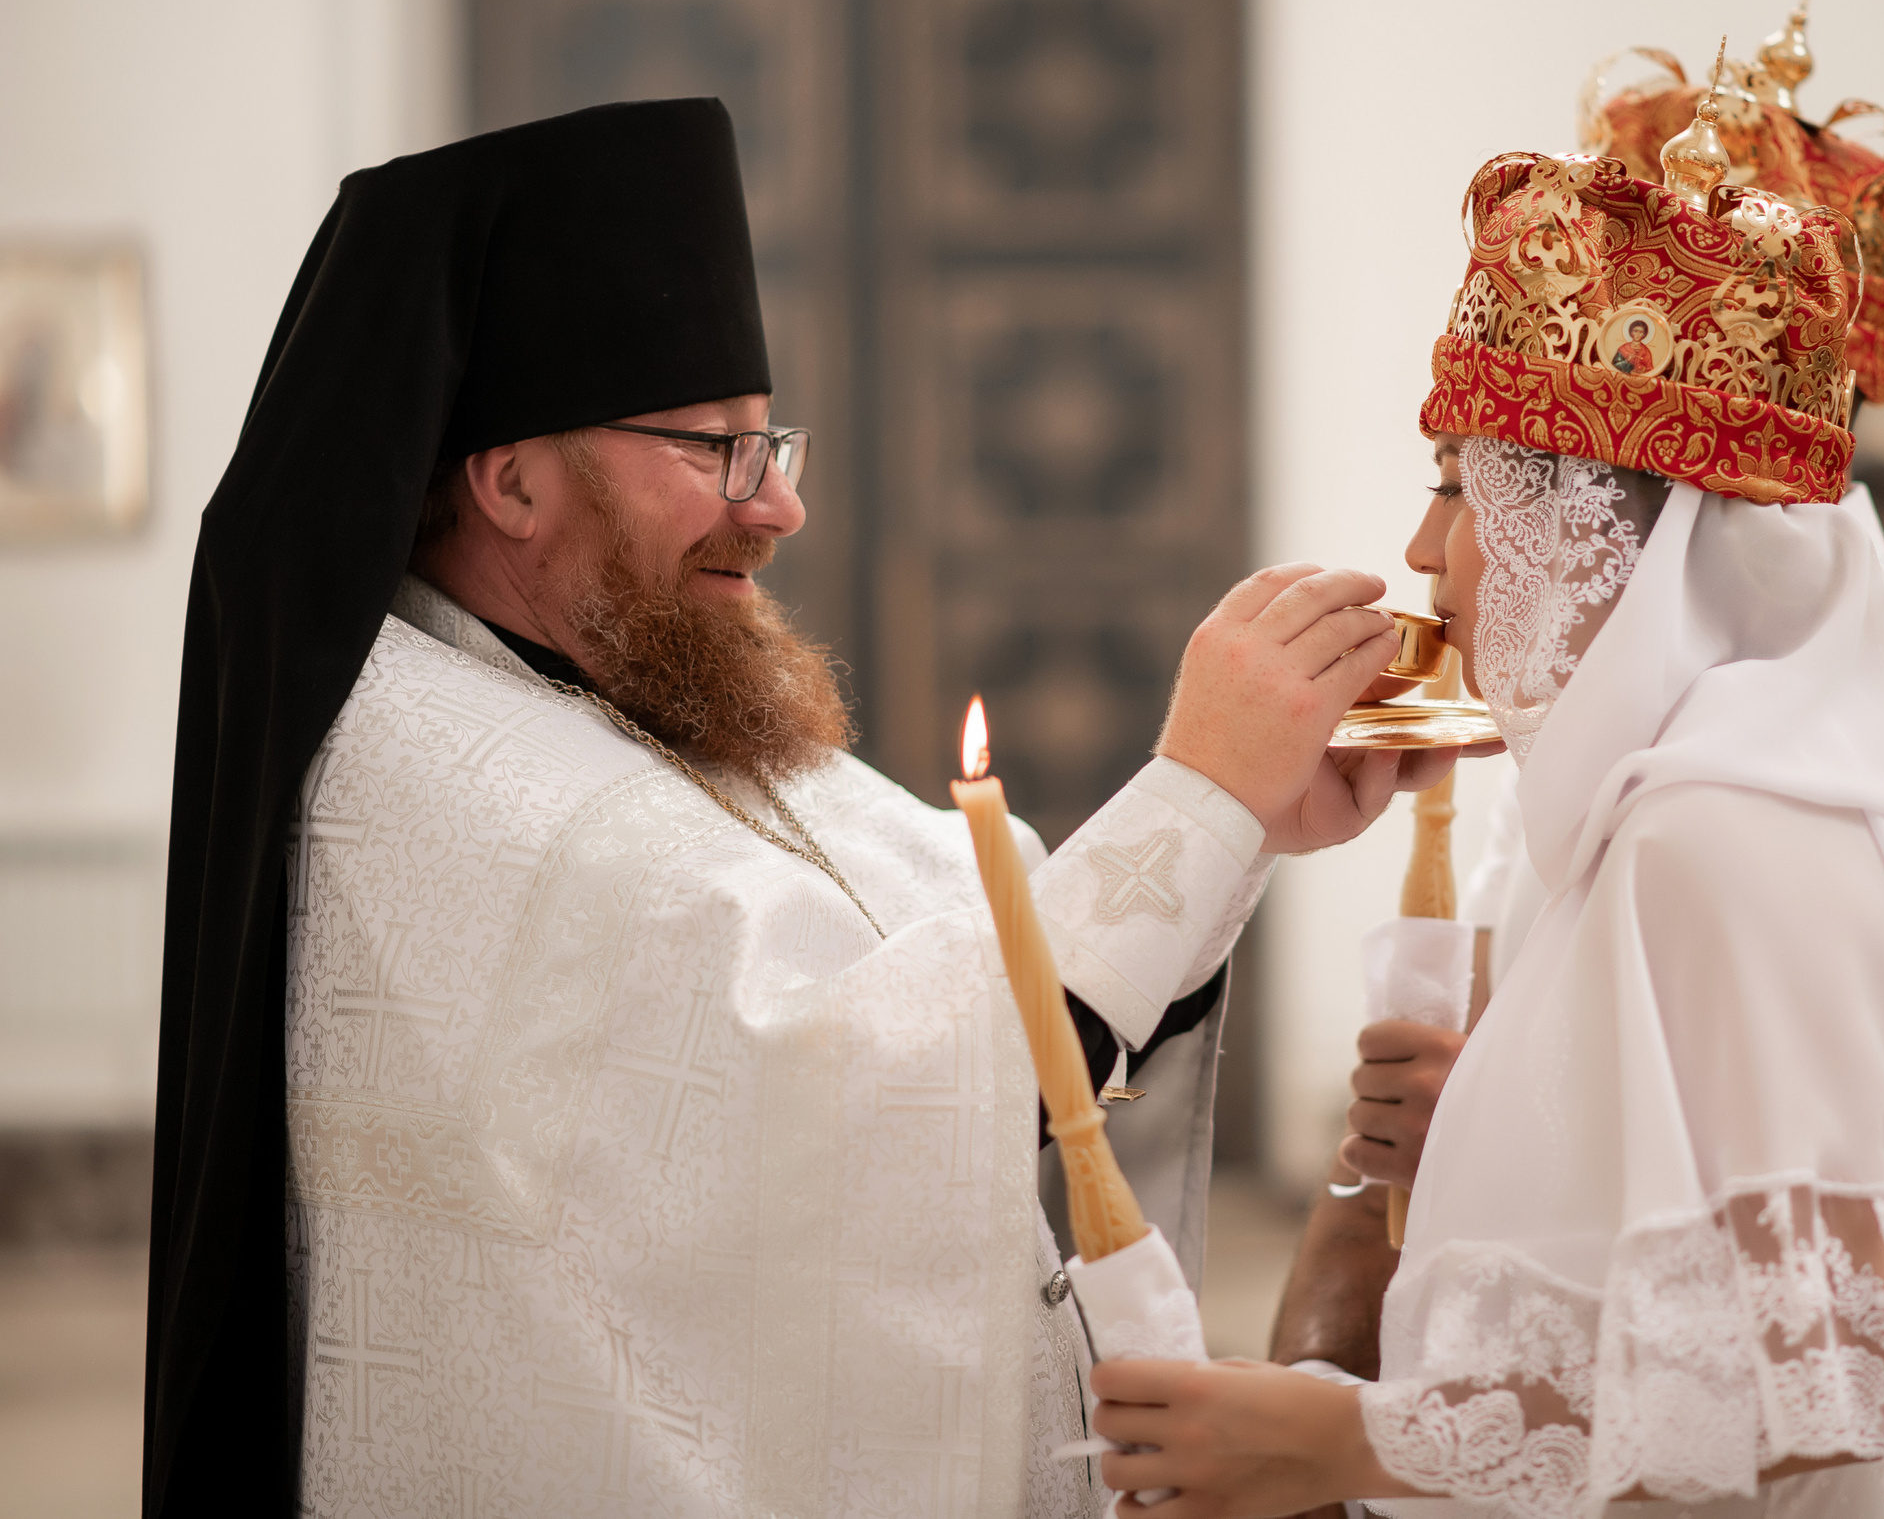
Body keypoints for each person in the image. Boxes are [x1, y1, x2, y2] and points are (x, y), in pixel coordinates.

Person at [145, 98, 1446, 1516]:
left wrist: (1239, 823)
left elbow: (956, 944)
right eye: (715, 449)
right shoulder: (426, 769)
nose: (777, 508)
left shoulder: (630, 680)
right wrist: (1198, 796)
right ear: (510, 479)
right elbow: (875, 1099)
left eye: (776, 446)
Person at [1090, 151, 1884, 1516]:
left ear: (1593, 534)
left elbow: (1827, 1378)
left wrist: (1347, 1438)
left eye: (1460, 488)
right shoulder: (1675, 809)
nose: (1422, 549)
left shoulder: (1728, 828)